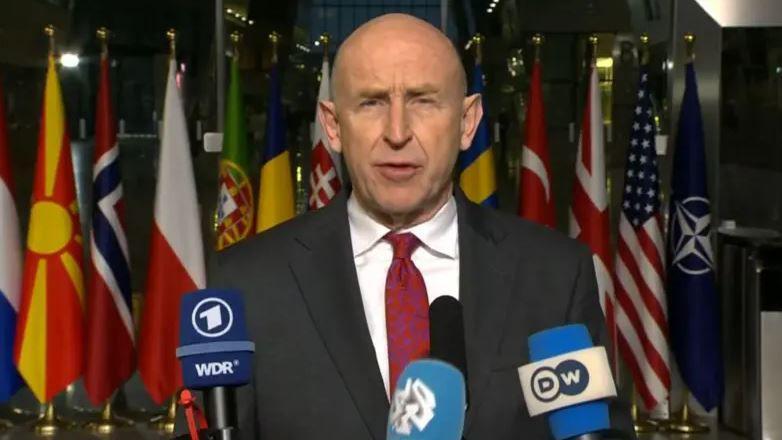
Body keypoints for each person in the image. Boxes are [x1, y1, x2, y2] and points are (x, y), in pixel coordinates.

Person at [199, 13, 634, 439]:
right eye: (371, 102)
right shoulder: (246, 283)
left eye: (423, 101)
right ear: (332, 126)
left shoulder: (556, 275)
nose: (397, 132)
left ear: (467, 123)